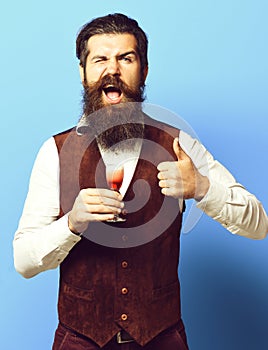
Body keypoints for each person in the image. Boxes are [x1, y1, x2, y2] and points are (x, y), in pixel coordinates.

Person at [13, 13, 267, 350]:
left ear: (144, 69)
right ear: (83, 72)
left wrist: (201, 187)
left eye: (125, 58)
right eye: (100, 59)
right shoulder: (56, 153)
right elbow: (24, 262)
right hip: (80, 340)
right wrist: (71, 224)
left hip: (163, 339)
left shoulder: (180, 146)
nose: (112, 70)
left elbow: (259, 225)